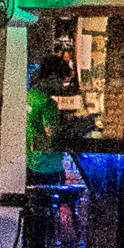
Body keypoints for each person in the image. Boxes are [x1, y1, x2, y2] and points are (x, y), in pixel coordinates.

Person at [25, 56, 74, 188]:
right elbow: (52, 134)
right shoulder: (48, 103)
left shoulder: (28, 97)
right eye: (62, 81)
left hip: (29, 163)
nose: (62, 87)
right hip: (48, 167)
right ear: (53, 77)